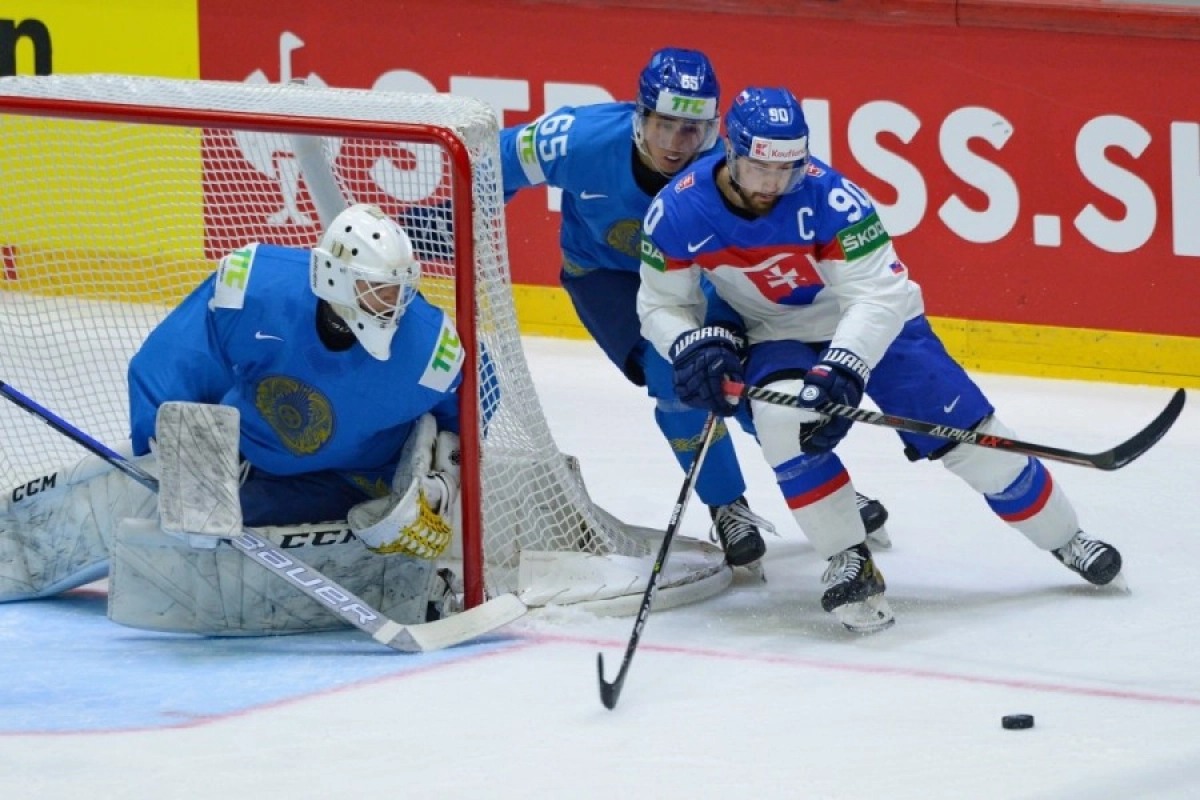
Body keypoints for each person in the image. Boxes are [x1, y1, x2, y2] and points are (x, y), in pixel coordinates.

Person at [636, 86, 1124, 633]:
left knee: (978, 446)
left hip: (875, 327)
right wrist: (690, 344)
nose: (774, 184)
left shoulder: (834, 198)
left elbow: (878, 296)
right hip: (775, 333)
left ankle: (1066, 538)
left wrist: (844, 366)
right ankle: (848, 558)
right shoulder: (676, 210)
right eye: (760, 170)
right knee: (782, 424)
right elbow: (660, 304)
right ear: (730, 151)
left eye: (788, 169)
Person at [495, 48, 889, 569]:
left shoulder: (730, 166)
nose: (677, 146)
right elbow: (483, 166)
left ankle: (824, 489)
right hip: (607, 278)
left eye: (693, 131)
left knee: (750, 378)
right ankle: (727, 504)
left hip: (699, 275)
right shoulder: (574, 139)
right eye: (665, 127)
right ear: (639, 115)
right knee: (675, 379)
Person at [0, 204, 466, 633]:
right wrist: (172, 452)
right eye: (378, 290)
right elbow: (176, 358)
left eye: (400, 291)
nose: (394, 304)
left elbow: (468, 407)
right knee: (169, 520)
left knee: (202, 543)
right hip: (247, 455)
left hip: (354, 482)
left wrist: (442, 478)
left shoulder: (429, 349)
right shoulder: (256, 286)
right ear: (335, 278)